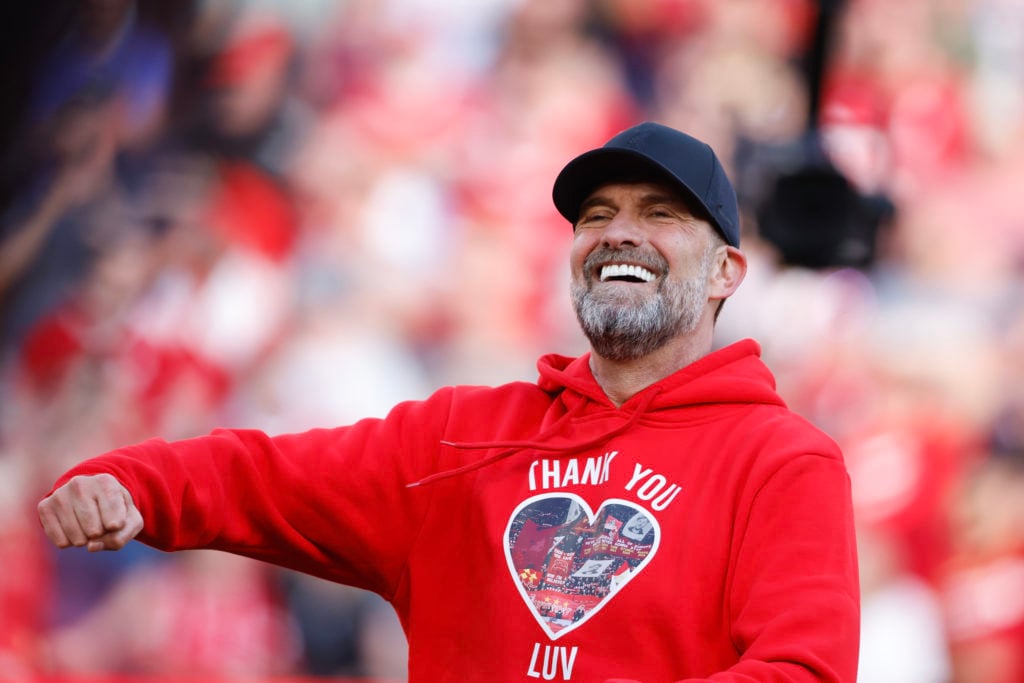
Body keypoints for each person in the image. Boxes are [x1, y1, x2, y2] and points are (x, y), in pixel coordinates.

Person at [37, 122, 860, 682]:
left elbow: (802, 670)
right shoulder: (463, 436)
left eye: (661, 214)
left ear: (726, 273)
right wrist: (133, 483)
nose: (617, 232)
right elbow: (270, 474)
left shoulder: (785, 462)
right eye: (597, 215)